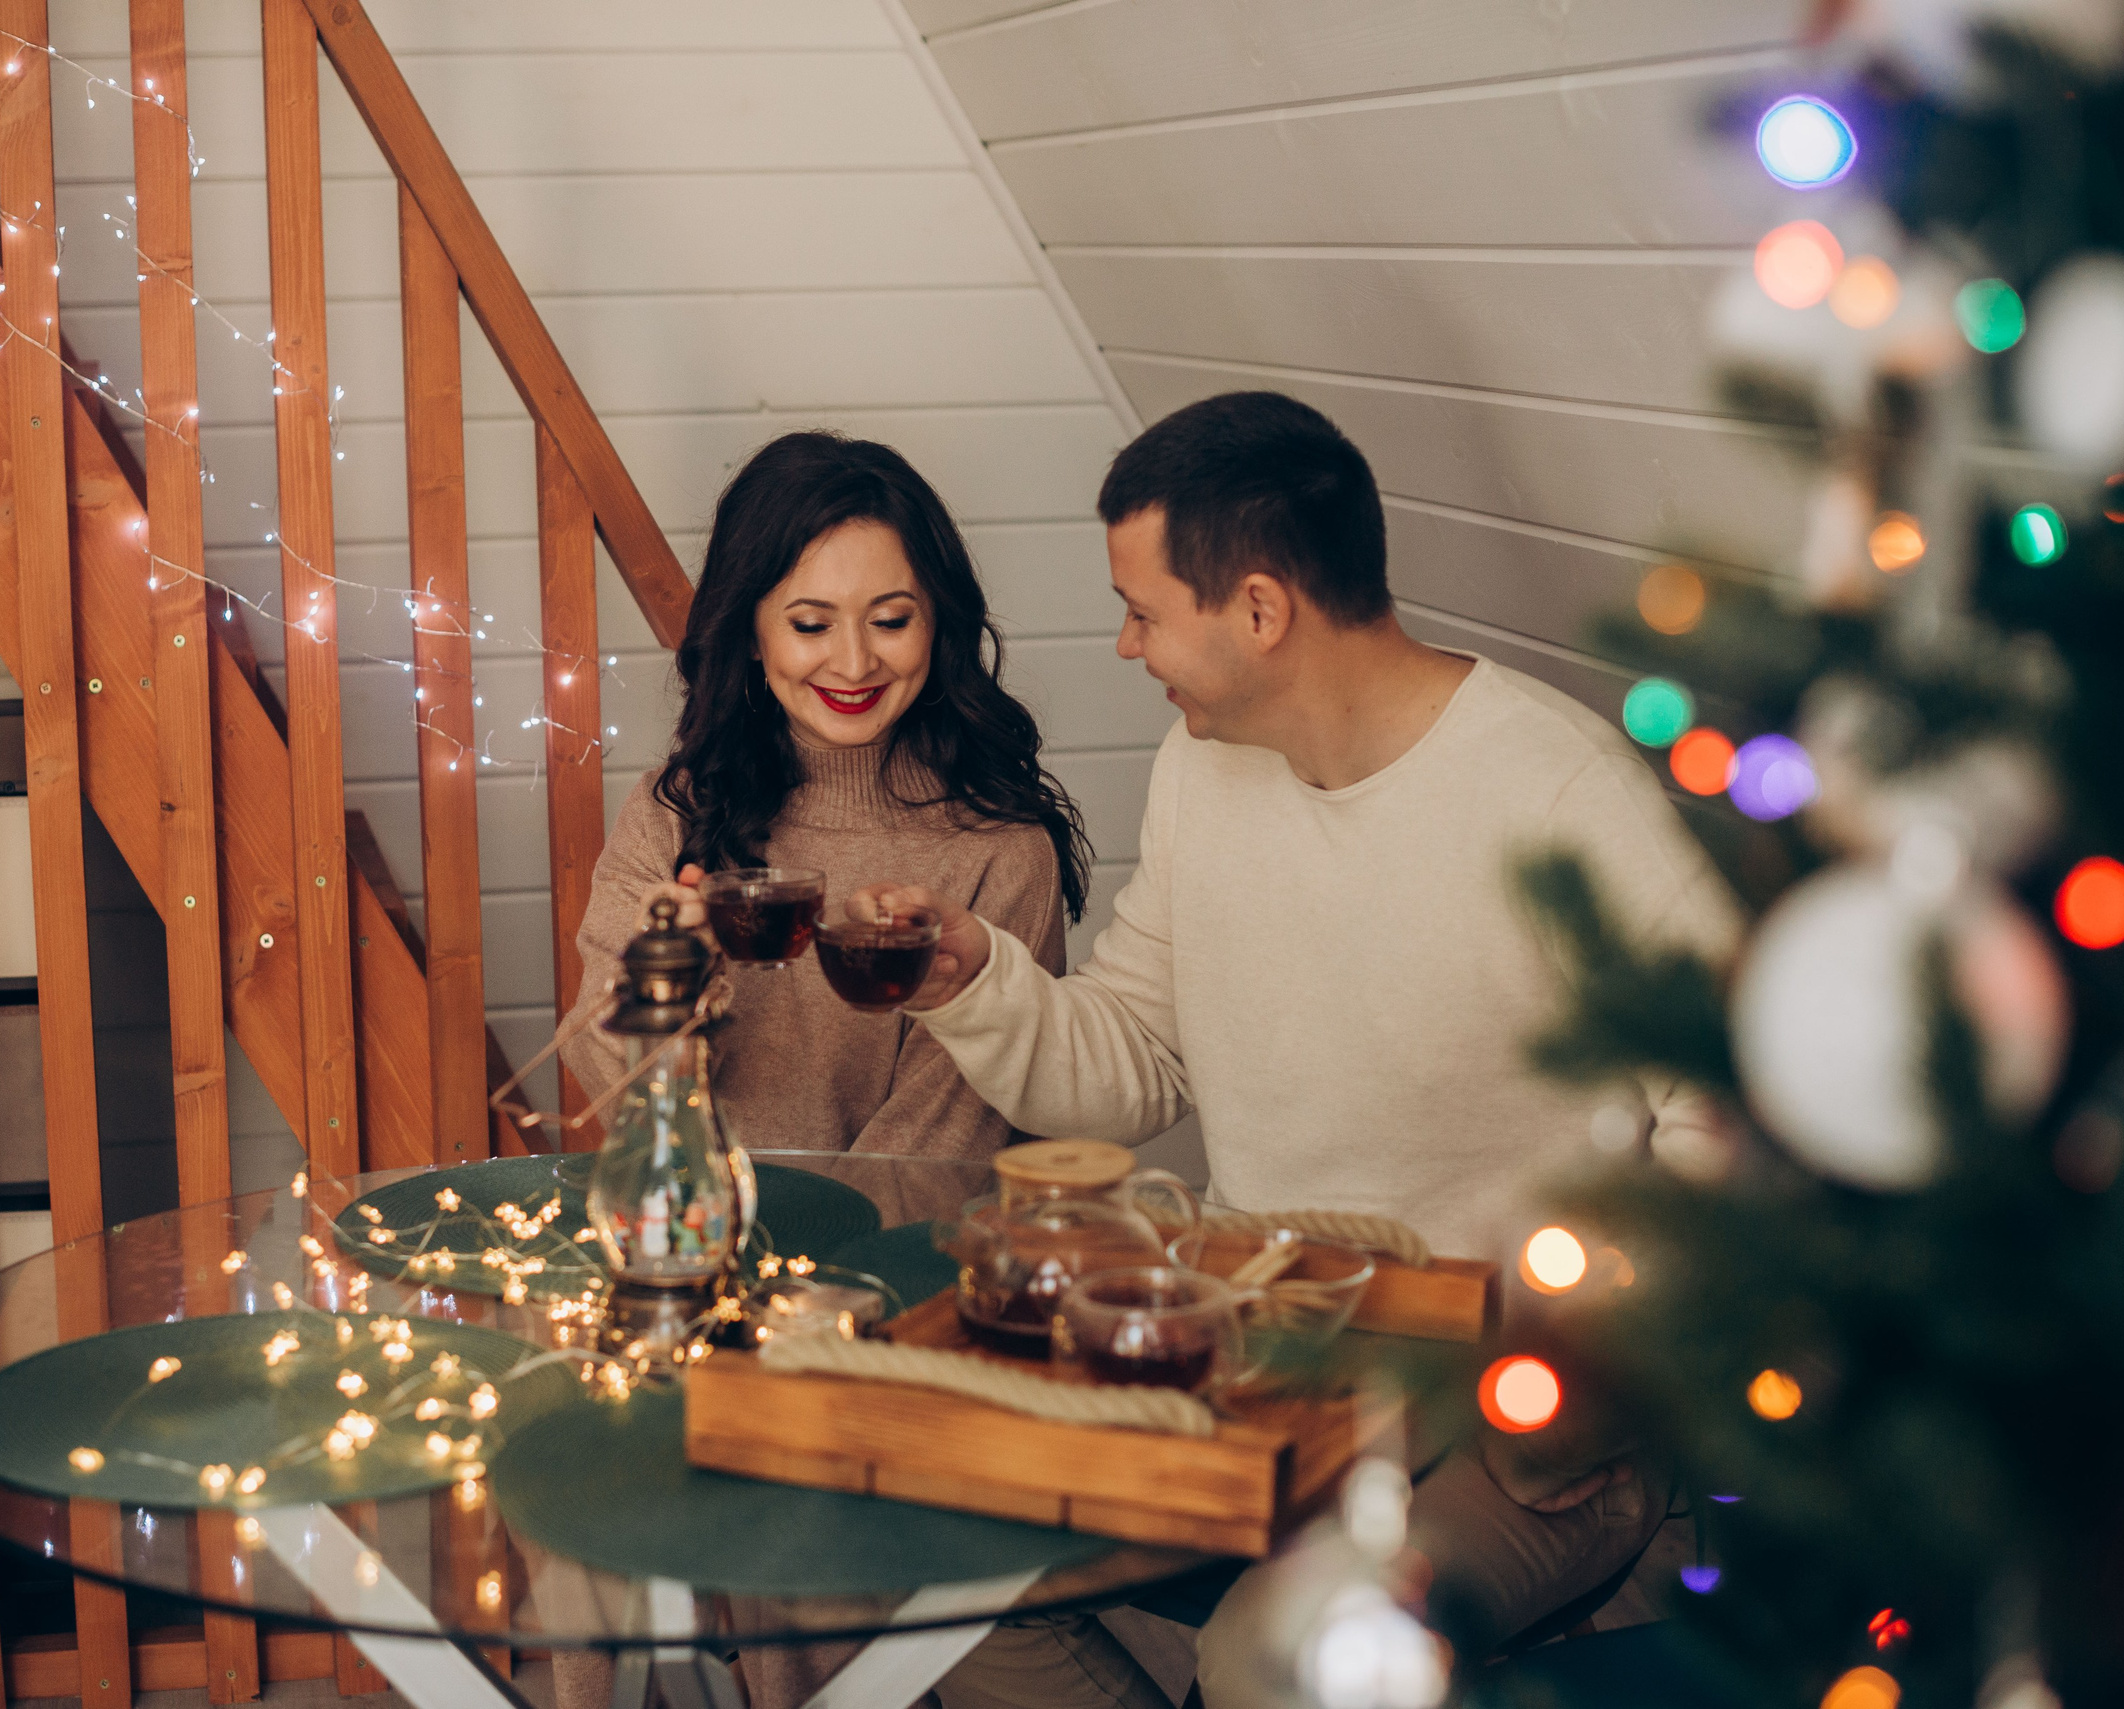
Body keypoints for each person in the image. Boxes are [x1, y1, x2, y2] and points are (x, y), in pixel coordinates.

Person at [854, 392, 1743, 1703]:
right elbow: (1131, 1064)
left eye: (1145, 611)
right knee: (916, 1556)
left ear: (1261, 610)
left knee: (1274, 1665)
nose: (1124, 642)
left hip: (1519, 1420)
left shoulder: (1558, 792)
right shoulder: (1203, 767)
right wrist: (970, 977)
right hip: (1258, 1371)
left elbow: (1736, 1117)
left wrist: (1579, 1355)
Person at [558, 428, 1091, 1158]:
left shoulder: (999, 848)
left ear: (937, 623)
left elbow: (945, 1151)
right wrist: (669, 987)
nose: (854, 661)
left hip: (900, 1265)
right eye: (811, 624)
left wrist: (805, 1268)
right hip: (702, 1248)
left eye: (892, 620)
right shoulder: (670, 813)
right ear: (751, 633)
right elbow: (609, 1082)